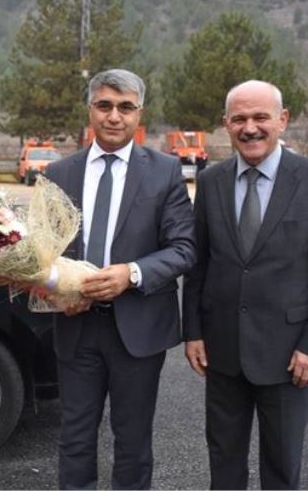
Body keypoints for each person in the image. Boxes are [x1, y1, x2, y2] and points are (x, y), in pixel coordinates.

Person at [182, 80, 308, 490]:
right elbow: (199, 265)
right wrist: (193, 332)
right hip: (222, 351)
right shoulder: (211, 181)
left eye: (261, 117)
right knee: (223, 460)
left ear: (282, 120)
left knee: (282, 463)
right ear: (226, 124)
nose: (250, 128)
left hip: (290, 356)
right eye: (239, 119)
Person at [44, 69, 196, 489]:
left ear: (139, 113)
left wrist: (132, 273)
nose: (114, 116)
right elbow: (43, 254)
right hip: (76, 326)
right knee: (75, 438)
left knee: (133, 440)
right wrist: (57, 290)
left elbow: (184, 248)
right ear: (90, 110)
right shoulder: (59, 173)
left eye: (125, 107)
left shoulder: (165, 171)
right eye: (105, 105)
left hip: (139, 328)